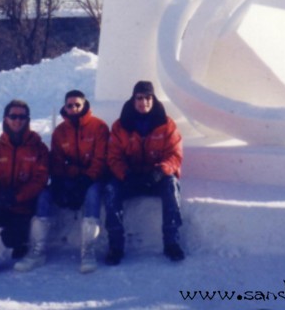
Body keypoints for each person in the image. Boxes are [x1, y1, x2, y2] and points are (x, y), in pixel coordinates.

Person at [15, 89, 109, 273]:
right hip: (69, 179)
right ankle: (37, 250)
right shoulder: (60, 131)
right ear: (65, 107)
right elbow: (57, 160)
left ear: (85, 105)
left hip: (92, 179)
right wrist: (59, 181)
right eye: (70, 105)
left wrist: (86, 178)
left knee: (93, 193)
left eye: (77, 105)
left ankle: (88, 250)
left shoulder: (98, 127)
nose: (73, 108)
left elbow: (100, 160)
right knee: (44, 195)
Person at [104, 80, 184, 265]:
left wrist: (160, 171)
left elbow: (175, 154)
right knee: (110, 189)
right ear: (133, 100)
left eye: (148, 98)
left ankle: (172, 242)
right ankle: (116, 246)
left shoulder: (167, 124)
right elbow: (113, 157)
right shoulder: (120, 126)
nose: (144, 102)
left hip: (155, 177)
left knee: (172, 185)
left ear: (153, 99)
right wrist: (125, 174)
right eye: (139, 98)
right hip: (129, 178)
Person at [0, 99, 49, 275]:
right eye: (13, 116)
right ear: (5, 119)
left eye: (22, 116)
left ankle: (20, 243)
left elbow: (40, 180)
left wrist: (17, 196)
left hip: (22, 207)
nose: (17, 120)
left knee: (11, 239)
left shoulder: (38, 149)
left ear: (27, 120)